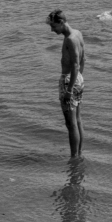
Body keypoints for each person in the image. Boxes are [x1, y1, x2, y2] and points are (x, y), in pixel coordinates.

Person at [47, 10, 86, 158]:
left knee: (71, 124)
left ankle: (74, 157)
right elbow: (84, 60)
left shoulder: (70, 39)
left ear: (61, 22)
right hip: (78, 80)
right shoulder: (78, 33)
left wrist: (69, 89)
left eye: (53, 26)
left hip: (69, 81)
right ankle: (79, 154)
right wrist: (79, 79)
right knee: (77, 120)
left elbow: (76, 64)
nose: (52, 30)